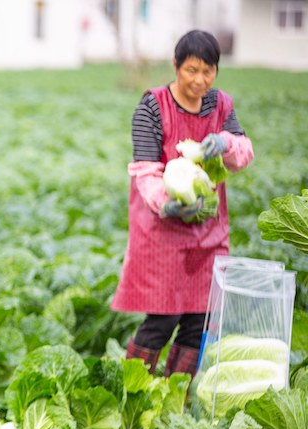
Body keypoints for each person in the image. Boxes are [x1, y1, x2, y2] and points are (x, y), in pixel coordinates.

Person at [111, 30, 254, 377]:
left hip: (208, 232)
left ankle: (175, 398)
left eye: (208, 71)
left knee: (197, 321)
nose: (199, 80)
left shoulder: (221, 106)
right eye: (191, 70)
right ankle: (133, 393)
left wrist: (227, 143)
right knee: (162, 319)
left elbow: (243, 156)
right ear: (176, 66)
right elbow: (145, 172)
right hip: (162, 232)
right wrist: (167, 203)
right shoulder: (152, 106)